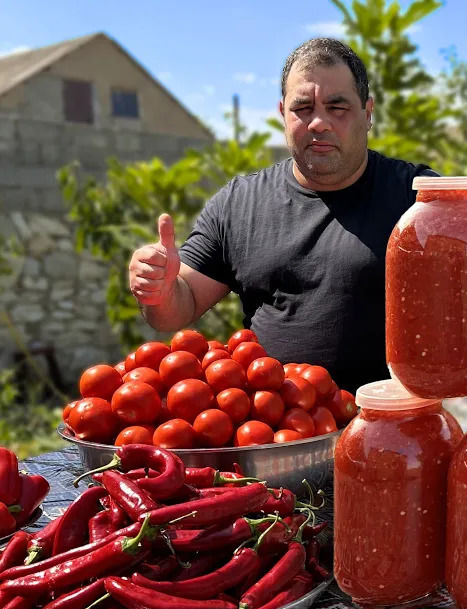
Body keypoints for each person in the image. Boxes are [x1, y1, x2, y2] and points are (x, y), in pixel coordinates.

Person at [127, 37, 436, 395]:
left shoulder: (420, 199)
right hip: (275, 435)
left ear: (367, 114)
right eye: (302, 108)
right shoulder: (239, 204)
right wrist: (158, 290)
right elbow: (179, 308)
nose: (318, 122)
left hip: (394, 432)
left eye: (337, 107)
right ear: (282, 114)